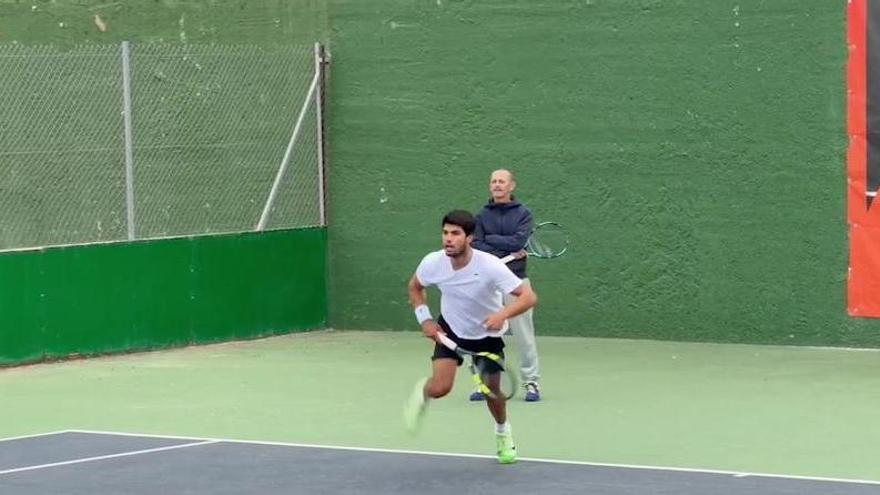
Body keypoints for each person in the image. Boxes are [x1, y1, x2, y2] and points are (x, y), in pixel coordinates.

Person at [403, 210, 538, 464]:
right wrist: (426, 320)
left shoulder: (490, 266)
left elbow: (528, 297)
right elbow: (415, 287)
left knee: (492, 392)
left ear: (469, 238)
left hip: (487, 336)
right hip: (451, 331)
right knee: (440, 388)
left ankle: (503, 433)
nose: (448, 239)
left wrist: (502, 314)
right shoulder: (433, 262)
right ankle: (423, 393)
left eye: (455, 233)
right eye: (445, 233)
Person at [472, 169, 543, 402]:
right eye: (493, 181)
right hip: (488, 283)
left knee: (524, 334)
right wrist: (503, 246)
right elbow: (477, 245)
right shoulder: (481, 215)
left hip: (516, 281)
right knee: (484, 334)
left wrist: (491, 240)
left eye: (501, 181)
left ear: (511, 186)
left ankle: (531, 382)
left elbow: (519, 241)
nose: (497, 185)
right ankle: (484, 383)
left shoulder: (524, 214)